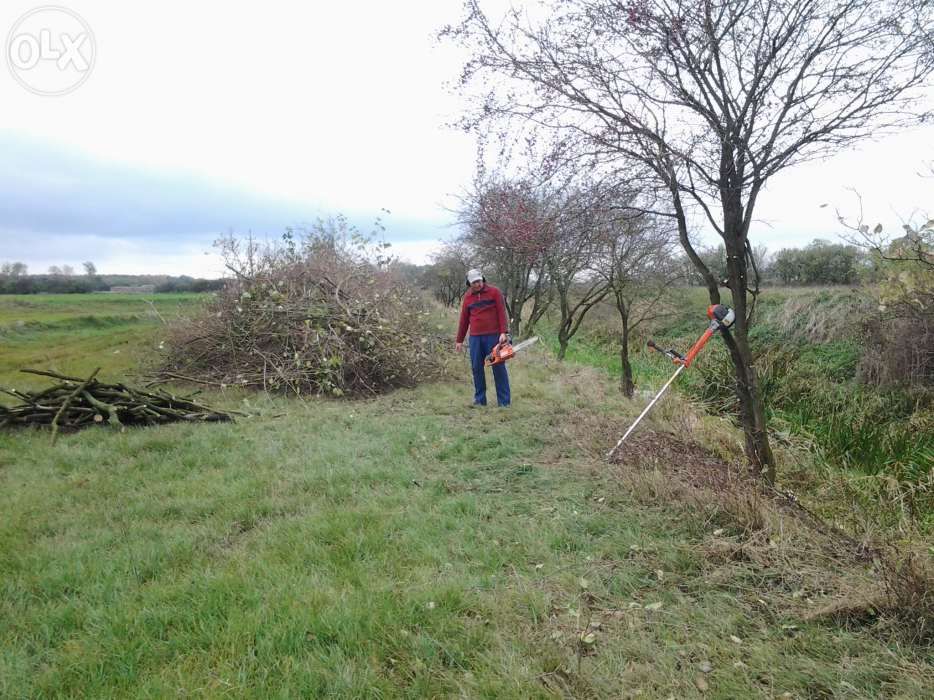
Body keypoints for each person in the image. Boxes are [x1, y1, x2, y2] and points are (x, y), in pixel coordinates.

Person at [455, 269, 511, 407]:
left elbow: (501, 313)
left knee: (498, 366)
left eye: (479, 281)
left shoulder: (495, 292)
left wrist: (503, 332)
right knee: (476, 368)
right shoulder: (467, 298)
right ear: (469, 283)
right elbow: (464, 320)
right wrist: (459, 340)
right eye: (474, 282)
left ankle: (504, 403)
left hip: (494, 336)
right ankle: (480, 400)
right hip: (475, 338)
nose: (478, 284)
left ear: (482, 279)